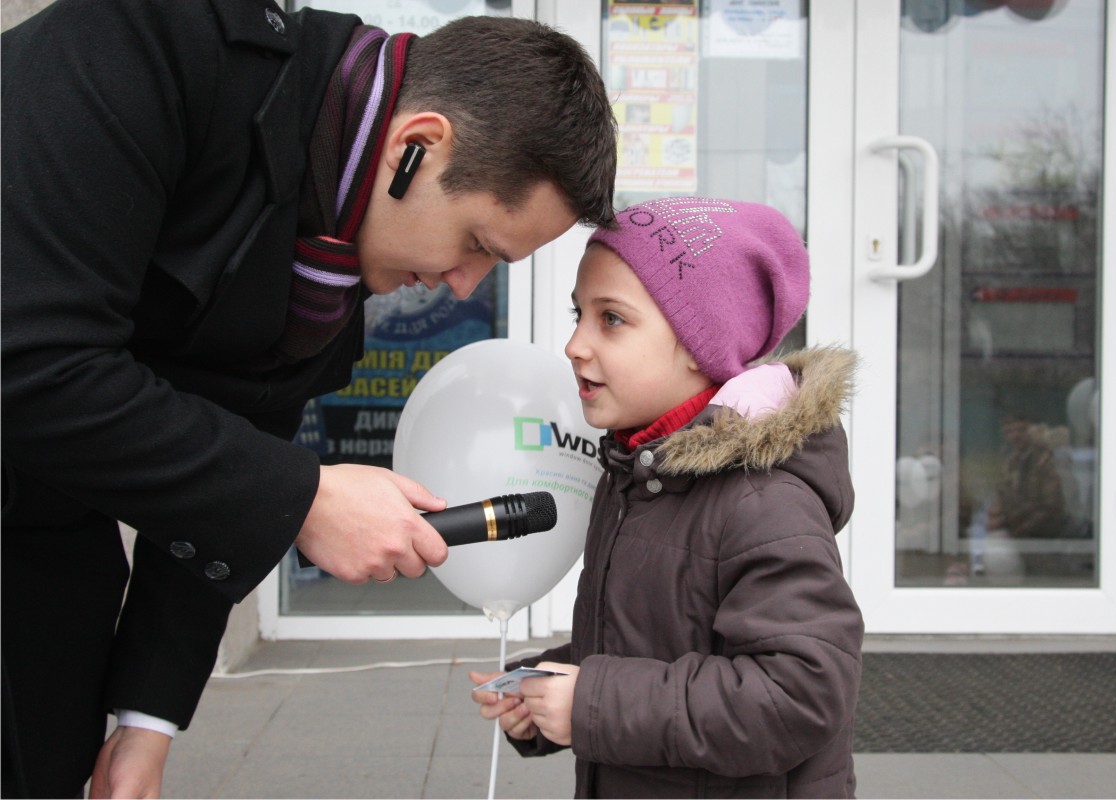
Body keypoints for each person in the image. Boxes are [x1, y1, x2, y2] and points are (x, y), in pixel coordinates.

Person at [0, 0, 616, 796]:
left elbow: (214, 482)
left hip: (45, 563)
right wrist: (305, 499)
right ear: (417, 144)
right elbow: (27, 357)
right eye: (475, 244)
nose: (466, 285)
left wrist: (145, 722)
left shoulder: (327, 278)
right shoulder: (145, 41)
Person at [470, 197, 864, 798]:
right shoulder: (637, 472)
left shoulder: (763, 501)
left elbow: (798, 694)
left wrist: (594, 702)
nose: (575, 344)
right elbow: (653, 641)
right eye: (578, 313)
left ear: (700, 345)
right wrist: (554, 684)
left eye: (611, 319)